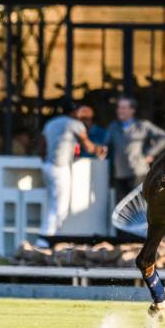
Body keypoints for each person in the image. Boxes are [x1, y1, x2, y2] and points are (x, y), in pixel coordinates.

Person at [38, 104, 105, 245]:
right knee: (59, 207)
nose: (87, 121)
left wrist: (46, 161)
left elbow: (41, 147)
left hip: (47, 167)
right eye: (85, 117)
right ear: (76, 113)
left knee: (53, 204)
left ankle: (51, 238)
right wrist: (100, 149)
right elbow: (88, 147)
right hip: (60, 168)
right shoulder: (74, 124)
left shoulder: (51, 123)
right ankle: (44, 241)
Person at [104, 95, 165, 202]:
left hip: (138, 172)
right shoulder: (113, 126)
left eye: (123, 108)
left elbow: (164, 137)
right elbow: (105, 144)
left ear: (132, 110)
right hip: (120, 173)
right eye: (118, 107)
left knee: (138, 206)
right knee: (121, 208)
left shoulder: (142, 125)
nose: (119, 111)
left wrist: (150, 153)